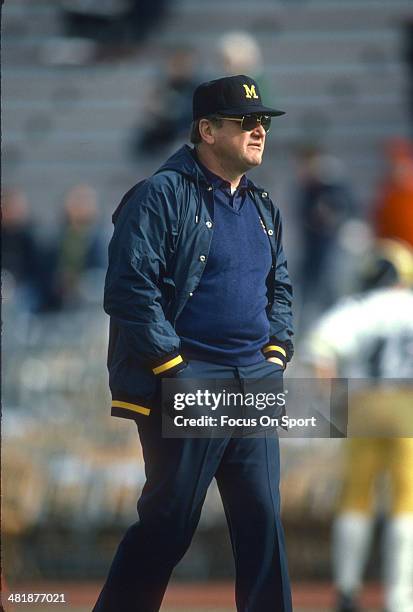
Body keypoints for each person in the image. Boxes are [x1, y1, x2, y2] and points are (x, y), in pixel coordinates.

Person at [94, 75, 294, 612]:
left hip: (253, 379)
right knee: (170, 523)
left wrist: (276, 353)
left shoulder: (263, 207)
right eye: (247, 122)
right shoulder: (160, 194)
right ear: (206, 130)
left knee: (263, 524)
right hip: (191, 377)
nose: (259, 131)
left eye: (264, 123)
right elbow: (129, 289)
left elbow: (280, 289)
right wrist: (173, 366)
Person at [304, 239, 413, 612]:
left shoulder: (359, 307)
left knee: (355, 497)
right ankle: (400, 598)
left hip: (363, 405)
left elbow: (320, 349)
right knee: (406, 503)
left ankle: (348, 589)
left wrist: (331, 403)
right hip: (407, 407)